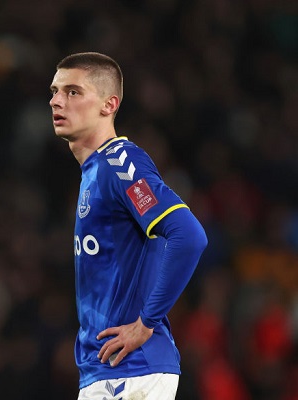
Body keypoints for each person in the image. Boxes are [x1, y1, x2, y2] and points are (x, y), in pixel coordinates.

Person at [49, 52, 207, 399]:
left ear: (109, 105)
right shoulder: (94, 172)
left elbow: (188, 235)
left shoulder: (120, 162)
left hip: (132, 370)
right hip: (107, 371)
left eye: (73, 92)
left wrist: (146, 323)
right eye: (55, 91)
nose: (57, 101)